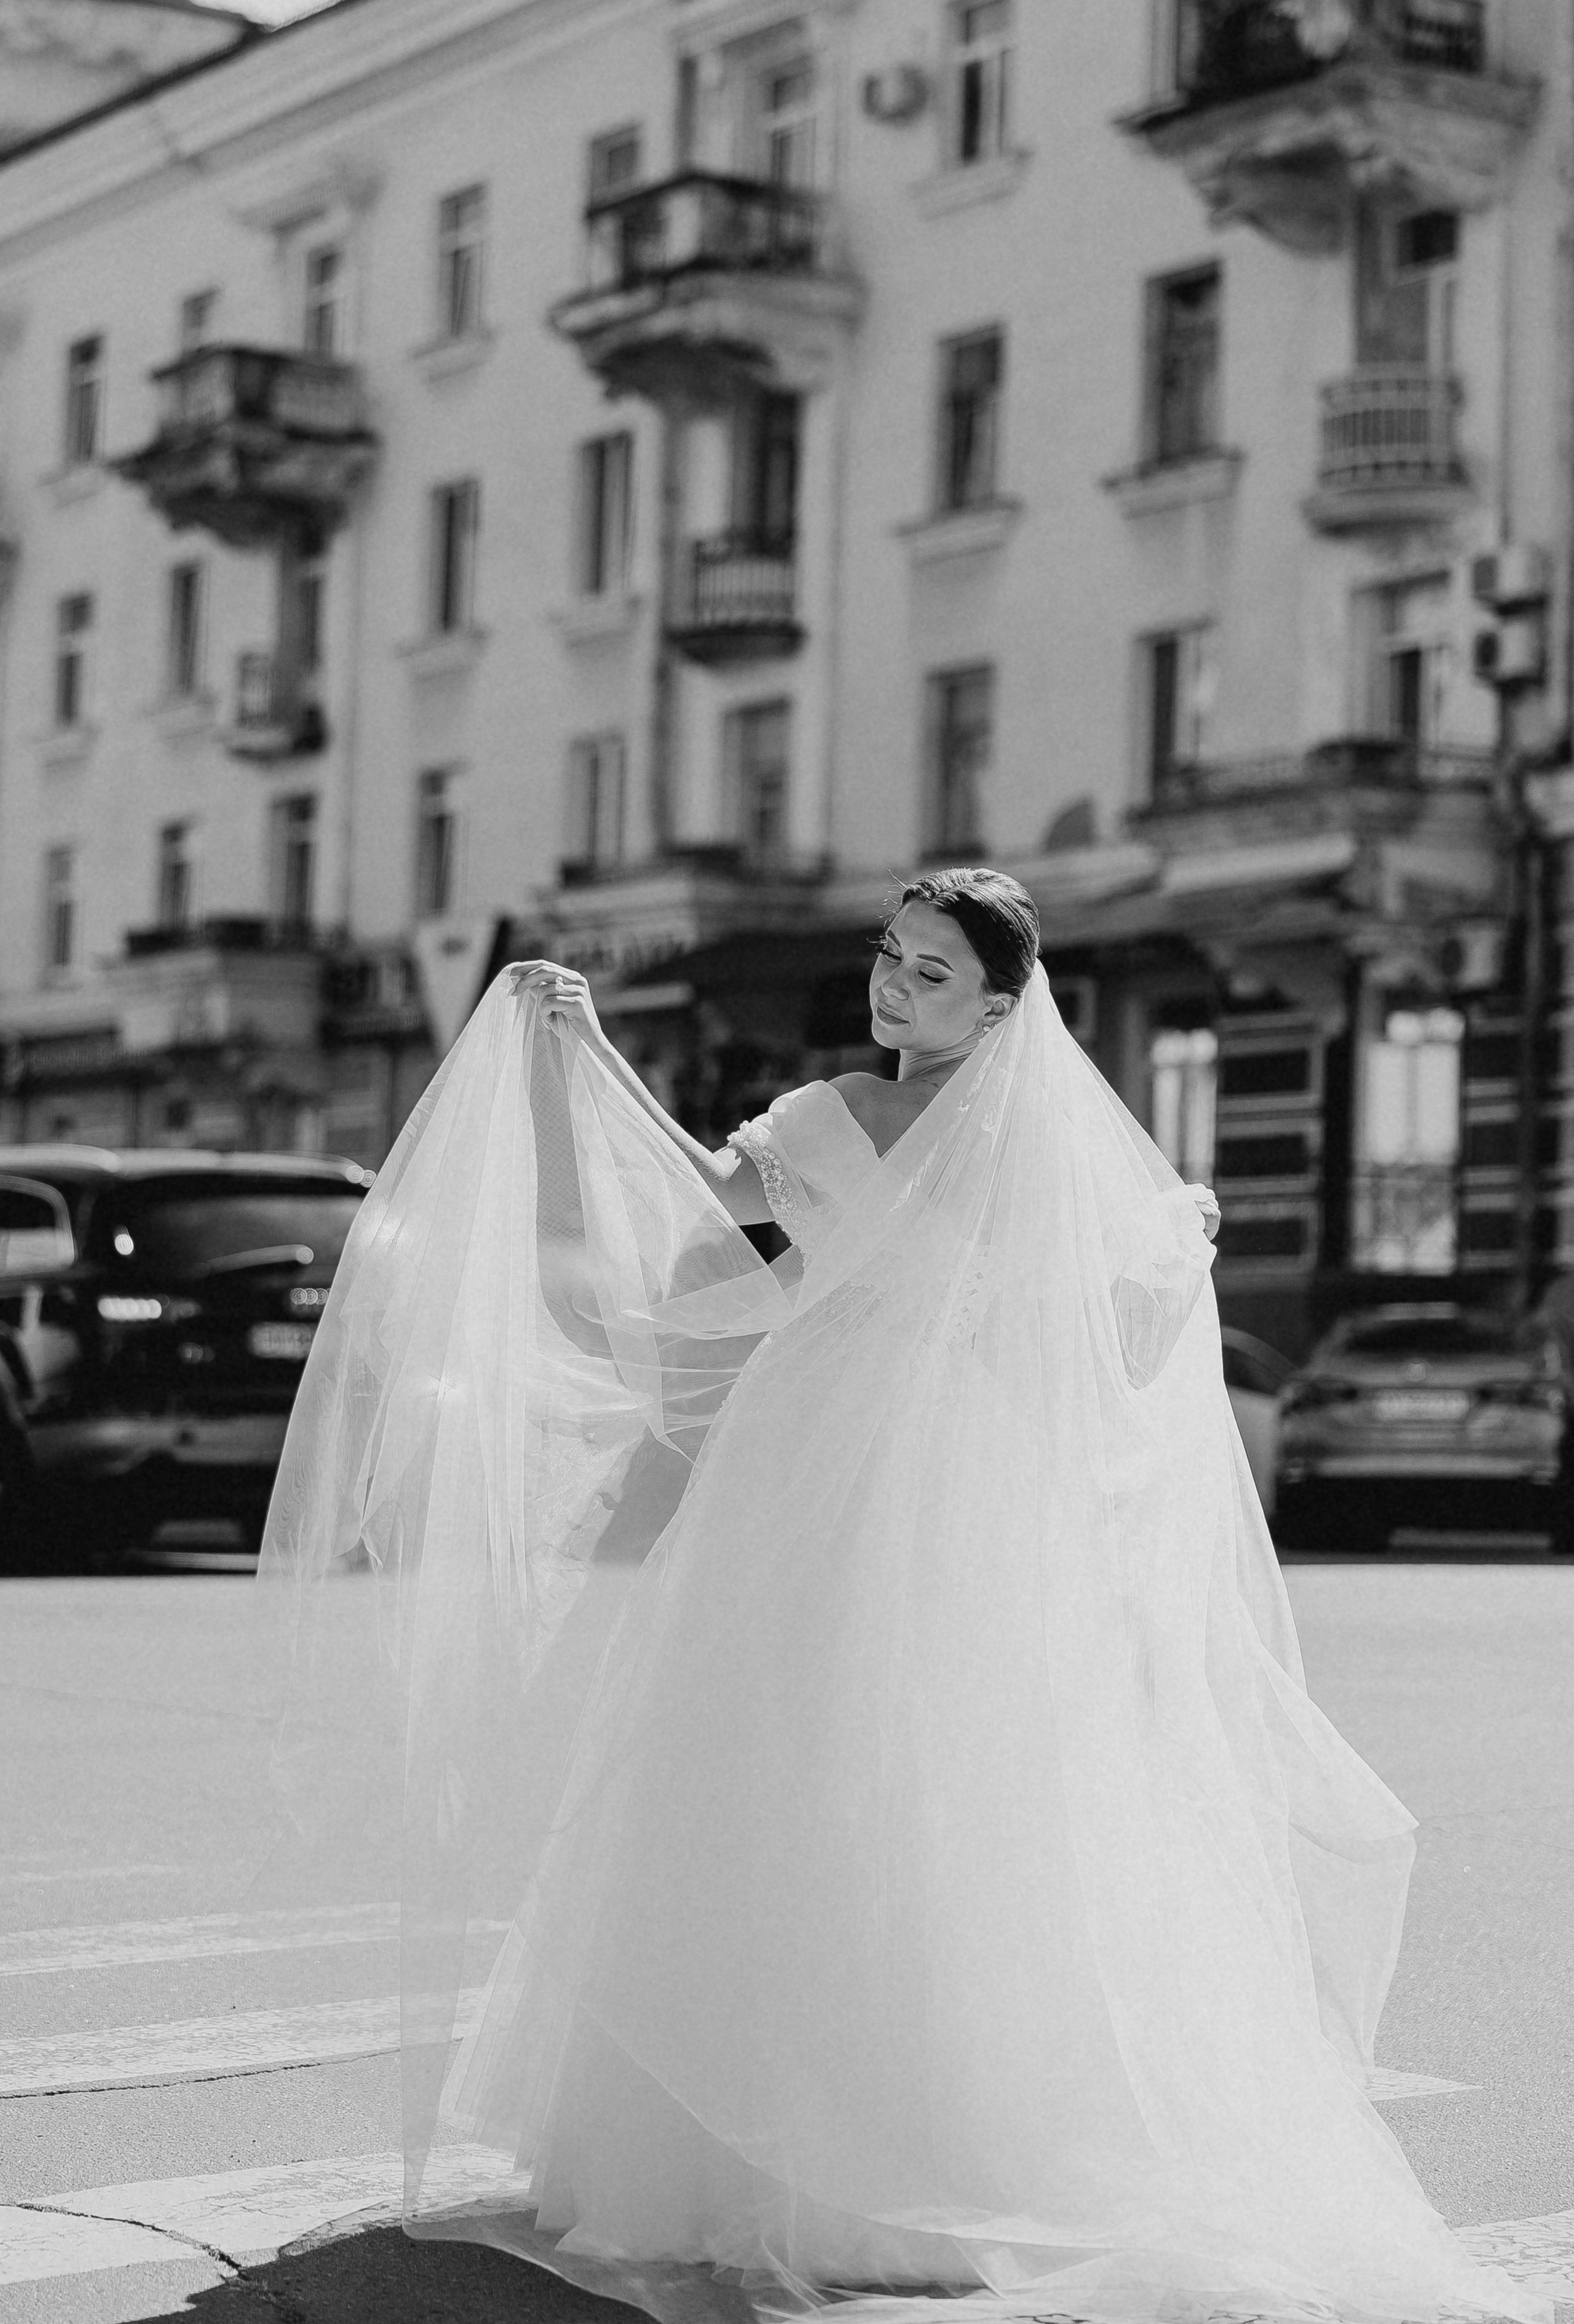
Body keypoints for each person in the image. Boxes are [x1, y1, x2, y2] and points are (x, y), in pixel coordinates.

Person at [260, 868, 1567, 2324]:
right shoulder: (828, 1114)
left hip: (963, 1490)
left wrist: (1132, 1322)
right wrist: (582, 1053)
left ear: (1000, 1008)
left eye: (931, 972)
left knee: (960, 1793)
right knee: (772, 1769)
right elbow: (697, 1192)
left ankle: (941, 2159)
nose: (894, 984)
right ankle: (729, 2157)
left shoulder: (1046, 1149)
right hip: (802, 1470)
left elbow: (1125, 1327)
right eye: (891, 956)